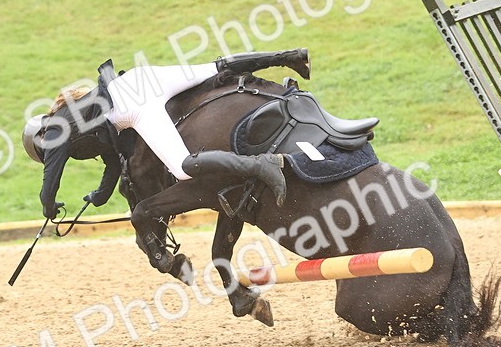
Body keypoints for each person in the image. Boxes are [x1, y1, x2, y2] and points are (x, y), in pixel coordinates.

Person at [24, 50, 311, 227]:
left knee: (183, 168)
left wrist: (48, 206)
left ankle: (261, 165)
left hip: (134, 106)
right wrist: (98, 197)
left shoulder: (55, 130)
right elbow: (113, 164)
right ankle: (289, 57)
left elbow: (51, 179)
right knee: (217, 67)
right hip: (140, 79)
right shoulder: (78, 117)